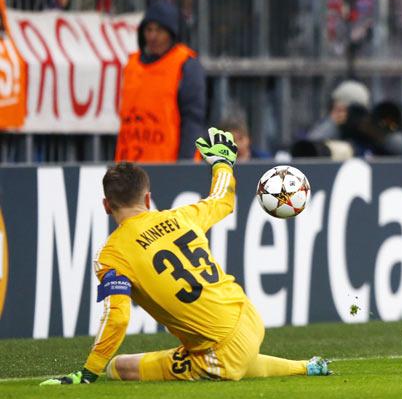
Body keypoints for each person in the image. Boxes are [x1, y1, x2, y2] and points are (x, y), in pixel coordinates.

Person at [41, 127, 330, 385]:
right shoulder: (182, 217)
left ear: (106, 205)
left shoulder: (112, 255)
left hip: (218, 351)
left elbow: (117, 317)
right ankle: (306, 367)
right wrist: (222, 164)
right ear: (146, 198)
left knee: (118, 368)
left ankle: (237, 361)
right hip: (249, 319)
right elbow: (222, 200)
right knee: (233, 356)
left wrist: (88, 372)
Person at [115, 0, 206, 162]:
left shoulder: (186, 64)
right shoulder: (131, 65)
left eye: (159, 30)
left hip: (166, 166)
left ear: (172, 33)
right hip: (129, 169)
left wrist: (186, 165)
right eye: (148, 30)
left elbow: (192, 121)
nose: (152, 36)